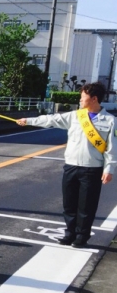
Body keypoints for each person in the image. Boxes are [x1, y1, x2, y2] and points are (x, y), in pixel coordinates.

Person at [16, 82, 115, 248]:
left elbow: (112, 148)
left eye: (82, 98)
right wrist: (28, 120)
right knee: (69, 204)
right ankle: (70, 233)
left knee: (86, 206)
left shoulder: (110, 121)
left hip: (92, 169)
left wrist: (109, 169)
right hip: (71, 166)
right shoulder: (76, 116)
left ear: (94, 99)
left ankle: (82, 236)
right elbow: (51, 120)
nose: (80, 100)